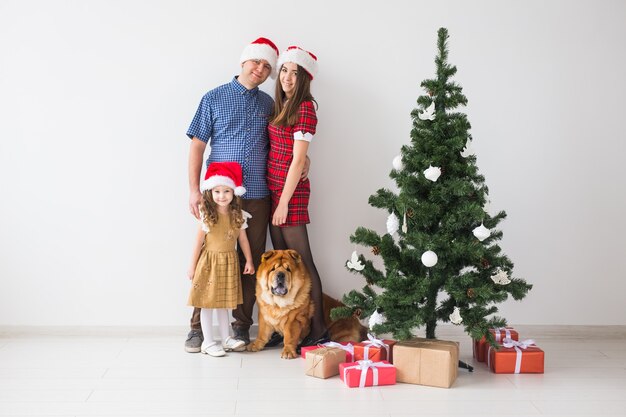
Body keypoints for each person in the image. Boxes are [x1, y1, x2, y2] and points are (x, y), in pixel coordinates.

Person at [184, 37, 285, 353]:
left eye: (267, 66)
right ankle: (198, 329)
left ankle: (241, 328)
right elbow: (197, 145)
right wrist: (192, 190)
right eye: (257, 62)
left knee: (249, 262)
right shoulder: (213, 98)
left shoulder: (269, 105)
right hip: (219, 197)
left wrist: (305, 158)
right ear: (244, 62)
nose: (261, 69)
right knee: (209, 261)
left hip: (257, 194)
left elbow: (284, 141)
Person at [267, 46, 329, 352]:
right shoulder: (283, 103)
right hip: (274, 189)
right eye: (284, 71)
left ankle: (319, 329)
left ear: (304, 78)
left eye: (295, 73)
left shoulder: (305, 107)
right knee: (283, 266)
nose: (288, 77)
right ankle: (288, 327)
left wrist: (283, 203)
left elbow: (297, 160)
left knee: (302, 265)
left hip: (289, 196)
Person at [187, 162, 254, 356]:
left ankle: (226, 338)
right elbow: (197, 243)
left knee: (224, 303)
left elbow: (243, 239)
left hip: (228, 263)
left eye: (226, 191)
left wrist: (249, 260)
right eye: (217, 191)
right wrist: (192, 267)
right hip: (209, 264)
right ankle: (208, 342)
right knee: (208, 303)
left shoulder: (238, 215)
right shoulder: (207, 216)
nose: (222, 196)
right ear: (210, 192)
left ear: (234, 193)